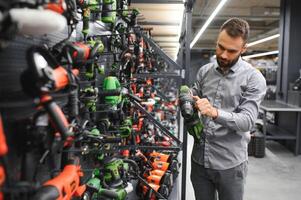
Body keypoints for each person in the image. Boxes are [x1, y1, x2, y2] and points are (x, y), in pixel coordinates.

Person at [189, 18, 267, 200]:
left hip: (230, 164)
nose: (223, 55)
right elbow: (194, 94)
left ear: (243, 49)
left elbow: (247, 121)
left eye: (231, 51)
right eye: (220, 47)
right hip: (200, 160)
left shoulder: (253, 78)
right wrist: (187, 98)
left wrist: (214, 113)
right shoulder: (205, 71)